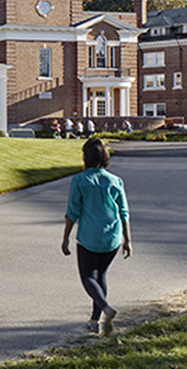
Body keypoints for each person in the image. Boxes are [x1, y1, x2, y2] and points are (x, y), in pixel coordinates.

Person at [61, 137, 132, 334]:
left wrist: (65, 237)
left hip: (89, 237)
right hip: (112, 237)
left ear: (86, 157)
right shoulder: (116, 181)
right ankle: (95, 320)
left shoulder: (80, 180)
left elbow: (72, 212)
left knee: (88, 277)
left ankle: (106, 308)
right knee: (101, 275)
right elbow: (124, 213)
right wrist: (127, 240)